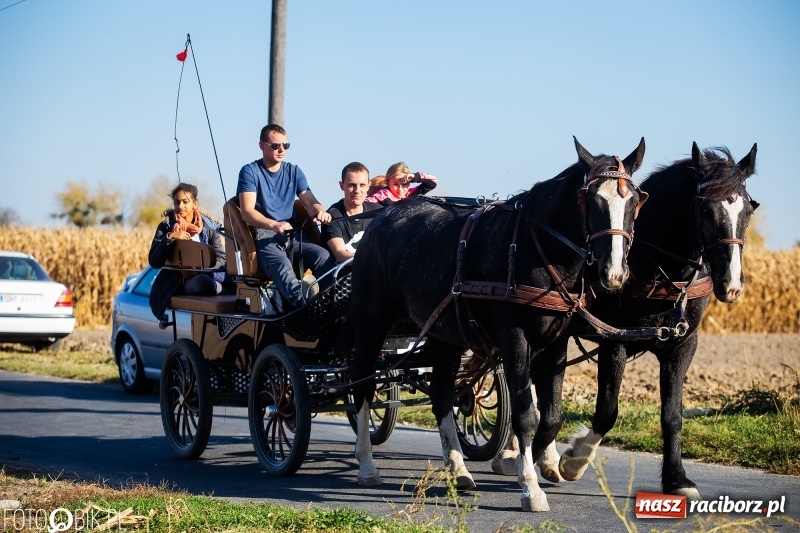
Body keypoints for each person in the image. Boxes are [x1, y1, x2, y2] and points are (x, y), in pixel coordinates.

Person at [237, 124, 335, 309]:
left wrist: (319, 210)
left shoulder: (294, 171)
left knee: (323, 256)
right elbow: (247, 212)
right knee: (283, 267)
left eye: (286, 145)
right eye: (275, 146)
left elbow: (310, 201)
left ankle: (323, 305)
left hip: (292, 236)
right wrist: (274, 225)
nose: (281, 149)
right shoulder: (250, 171)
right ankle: (305, 308)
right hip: (265, 237)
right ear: (262, 145)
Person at [148, 182, 231, 319]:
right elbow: (154, 261)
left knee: (235, 281)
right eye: (177, 202)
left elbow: (221, 259)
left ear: (195, 204)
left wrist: (199, 270)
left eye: (185, 202)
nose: (180, 206)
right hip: (177, 282)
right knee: (202, 282)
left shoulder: (209, 227)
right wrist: (170, 237)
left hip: (207, 274)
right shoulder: (166, 226)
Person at [322, 162, 383, 263]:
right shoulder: (331, 217)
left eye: (362, 185)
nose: (357, 190)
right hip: (346, 271)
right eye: (352, 185)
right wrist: (371, 262)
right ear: (342, 186)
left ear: (368, 186)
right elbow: (340, 254)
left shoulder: (379, 213)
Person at [364, 162, 438, 205]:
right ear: (388, 182)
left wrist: (415, 177)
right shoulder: (384, 195)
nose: (400, 189)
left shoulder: (411, 194)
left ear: (409, 182)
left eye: (404, 184)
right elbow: (366, 204)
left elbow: (433, 182)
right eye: (395, 184)